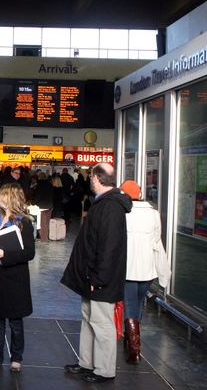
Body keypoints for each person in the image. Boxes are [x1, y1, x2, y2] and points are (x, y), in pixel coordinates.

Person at [62, 163, 132, 383]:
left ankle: (104, 369)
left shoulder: (110, 207)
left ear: (97, 179)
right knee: (89, 318)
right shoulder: (104, 204)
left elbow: (109, 247)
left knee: (102, 324)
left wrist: (99, 278)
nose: (89, 179)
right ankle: (87, 363)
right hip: (91, 276)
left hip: (100, 279)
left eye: (91, 176)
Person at [0, 183, 35, 372]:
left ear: (11, 198)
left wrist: (5, 254)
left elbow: (29, 253)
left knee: (15, 321)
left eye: (2, 196)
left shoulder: (24, 222)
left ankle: (16, 359)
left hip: (15, 278)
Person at [120, 179, 162, 364]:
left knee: (129, 303)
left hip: (128, 266)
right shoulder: (154, 214)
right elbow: (156, 239)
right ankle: (131, 338)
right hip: (147, 267)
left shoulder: (124, 214)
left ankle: (134, 349)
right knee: (138, 302)